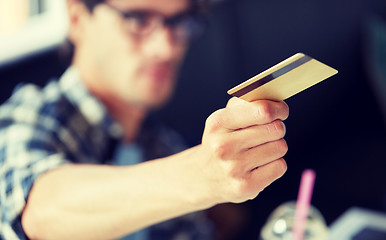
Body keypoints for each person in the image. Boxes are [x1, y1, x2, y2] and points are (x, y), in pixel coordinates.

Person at [0, 0, 289, 239]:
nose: (166, 48)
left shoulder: (163, 146)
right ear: (77, 19)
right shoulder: (27, 115)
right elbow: (39, 210)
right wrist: (202, 174)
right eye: (137, 21)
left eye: (178, 23)